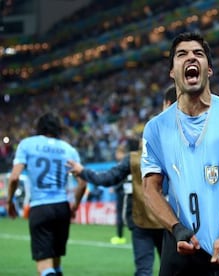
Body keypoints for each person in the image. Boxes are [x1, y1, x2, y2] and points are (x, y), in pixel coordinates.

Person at [141, 32, 219, 275]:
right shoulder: (156, 129)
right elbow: (150, 188)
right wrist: (176, 228)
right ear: (172, 72)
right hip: (181, 245)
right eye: (181, 54)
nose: (190, 58)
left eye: (199, 54)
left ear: (209, 69)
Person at [66, 85, 177, 276]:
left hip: (142, 221)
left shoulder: (134, 158)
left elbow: (106, 178)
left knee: (144, 270)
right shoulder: (178, 153)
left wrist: (83, 171)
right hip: (171, 221)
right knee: (172, 270)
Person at [6, 112, 87, 276]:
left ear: (39, 127)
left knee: (44, 266)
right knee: (56, 264)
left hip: (40, 207)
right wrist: (75, 205)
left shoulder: (27, 144)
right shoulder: (68, 149)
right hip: (62, 207)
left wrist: (10, 201)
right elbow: (83, 182)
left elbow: (14, 177)